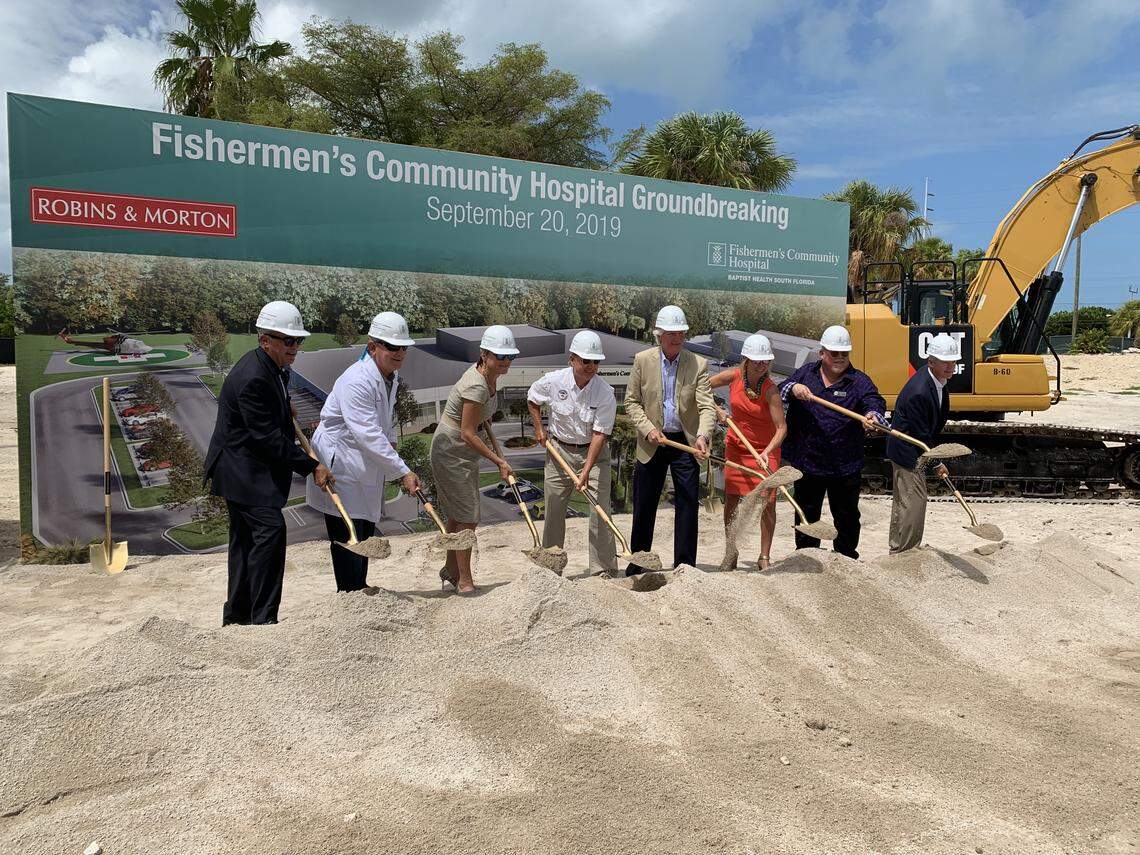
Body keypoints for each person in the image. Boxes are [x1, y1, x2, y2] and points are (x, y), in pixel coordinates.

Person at [205, 301, 333, 626]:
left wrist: (284, 409)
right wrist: (311, 465)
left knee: (246, 543)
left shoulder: (273, 367)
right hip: (242, 472)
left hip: (247, 469)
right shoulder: (253, 378)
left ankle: (238, 617)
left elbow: (276, 405)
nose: (295, 347)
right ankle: (262, 621)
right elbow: (267, 440)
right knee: (269, 532)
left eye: (298, 341)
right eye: (288, 341)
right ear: (266, 340)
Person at [306, 312, 423, 591]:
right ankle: (349, 592)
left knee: (365, 531)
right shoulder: (357, 380)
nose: (400, 353)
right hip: (341, 464)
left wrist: (392, 444)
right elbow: (367, 433)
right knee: (348, 534)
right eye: (392, 346)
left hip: (360, 459)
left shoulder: (388, 376)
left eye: (404, 347)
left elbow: (385, 419)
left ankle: (360, 586)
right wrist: (402, 471)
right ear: (373, 346)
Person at [779, 324, 886, 560]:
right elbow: (781, 389)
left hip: (844, 463)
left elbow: (875, 403)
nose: (839, 358)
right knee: (806, 512)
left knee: (847, 514)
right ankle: (806, 555)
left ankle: (846, 558)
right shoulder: (806, 373)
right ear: (822, 353)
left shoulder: (858, 381)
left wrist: (873, 417)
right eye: (834, 353)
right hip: (808, 460)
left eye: (844, 354)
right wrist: (794, 387)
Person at [624, 305, 717, 573]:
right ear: (659, 335)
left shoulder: (697, 364)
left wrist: (702, 435)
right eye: (672, 333)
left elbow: (707, 406)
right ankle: (638, 566)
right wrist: (648, 429)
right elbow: (631, 402)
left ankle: (685, 566)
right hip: (652, 442)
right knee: (644, 505)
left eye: (681, 333)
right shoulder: (642, 360)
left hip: (685, 442)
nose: (677, 338)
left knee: (688, 503)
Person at [429, 325, 518, 595]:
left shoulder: (489, 378)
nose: (505, 362)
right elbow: (468, 433)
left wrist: (484, 418)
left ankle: (450, 569)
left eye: (509, 357)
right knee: (468, 516)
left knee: (460, 513)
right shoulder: (476, 385)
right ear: (484, 354)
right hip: (451, 450)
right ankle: (464, 580)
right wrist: (499, 462)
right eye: (499, 356)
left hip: (462, 450)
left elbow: (479, 420)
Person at [527, 330, 619, 577]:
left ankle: (604, 569)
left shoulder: (605, 393)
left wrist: (586, 470)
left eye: (595, 362)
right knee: (554, 509)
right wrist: (539, 428)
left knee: (600, 510)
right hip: (558, 453)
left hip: (594, 455)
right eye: (585, 361)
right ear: (572, 360)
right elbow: (532, 398)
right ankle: (550, 567)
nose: (591, 366)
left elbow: (600, 435)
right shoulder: (554, 381)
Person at [709, 333, 787, 569]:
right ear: (746, 359)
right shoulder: (733, 376)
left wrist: (767, 452)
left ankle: (764, 556)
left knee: (767, 503)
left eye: (766, 361)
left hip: (765, 451)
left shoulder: (771, 390)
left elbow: (782, 429)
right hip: (737, 448)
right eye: (757, 361)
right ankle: (730, 552)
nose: (762, 365)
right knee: (732, 500)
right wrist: (716, 409)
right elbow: (701, 387)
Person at [887, 332, 959, 553]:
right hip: (908, 452)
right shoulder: (920, 391)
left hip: (915, 449)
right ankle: (906, 552)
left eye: (953, 361)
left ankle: (898, 548)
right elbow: (921, 436)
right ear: (931, 361)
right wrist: (936, 464)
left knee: (906, 503)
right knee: (914, 503)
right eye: (945, 362)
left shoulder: (938, 382)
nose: (950, 366)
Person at [59, 329, 153, 355]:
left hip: (118, 346)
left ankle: (69, 340)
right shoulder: (126, 342)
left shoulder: (132, 342)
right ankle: (67, 340)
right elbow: (122, 341)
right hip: (114, 348)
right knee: (91, 343)